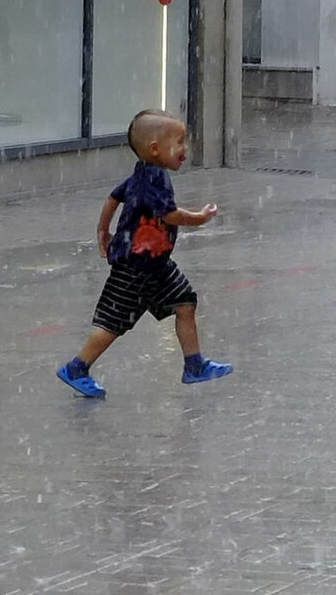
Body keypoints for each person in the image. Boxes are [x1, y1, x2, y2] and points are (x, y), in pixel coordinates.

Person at [57, 110, 231, 399]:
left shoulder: (144, 172)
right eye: (179, 142)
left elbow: (113, 198)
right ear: (155, 148)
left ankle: (194, 364)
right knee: (113, 323)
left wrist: (103, 229)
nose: (185, 149)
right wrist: (200, 217)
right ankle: (77, 368)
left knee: (185, 302)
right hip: (135, 266)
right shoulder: (154, 177)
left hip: (156, 263)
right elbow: (170, 214)